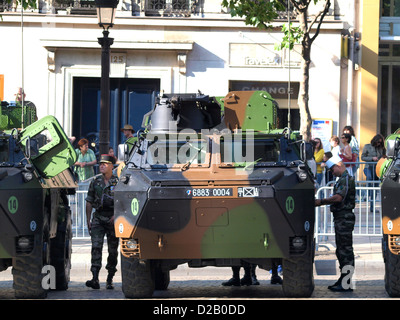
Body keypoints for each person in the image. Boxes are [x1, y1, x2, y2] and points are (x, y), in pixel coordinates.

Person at [315, 156, 355, 292]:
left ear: (339, 165)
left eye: (332, 170)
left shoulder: (346, 179)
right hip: (341, 218)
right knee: (341, 250)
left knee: (345, 251)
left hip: (345, 218)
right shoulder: (342, 179)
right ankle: (344, 280)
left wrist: (320, 202)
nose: (332, 173)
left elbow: (338, 198)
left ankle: (347, 282)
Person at [85, 154, 119, 290]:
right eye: (100, 164)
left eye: (105, 164)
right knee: (96, 248)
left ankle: (110, 279)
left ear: (112, 166)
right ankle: (95, 278)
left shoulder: (118, 182)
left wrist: (116, 215)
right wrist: (88, 220)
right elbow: (89, 201)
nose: (102, 166)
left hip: (112, 219)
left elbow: (121, 201)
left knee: (113, 250)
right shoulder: (95, 181)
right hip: (98, 218)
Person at [361, 134, 386, 212]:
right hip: (368, 167)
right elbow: (362, 157)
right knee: (370, 178)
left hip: (377, 169)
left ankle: (372, 207)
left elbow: (384, 156)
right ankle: (366, 194)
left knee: (374, 188)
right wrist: (372, 158)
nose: (378, 144)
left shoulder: (381, 148)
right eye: (377, 142)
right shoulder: (367, 146)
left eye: (380, 143)